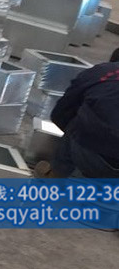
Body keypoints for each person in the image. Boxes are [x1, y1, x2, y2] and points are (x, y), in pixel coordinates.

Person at [46, 49, 119, 177]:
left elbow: (61, 112)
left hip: (94, 156)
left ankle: (57, 175)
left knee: (75, 123)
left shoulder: (102, 72)